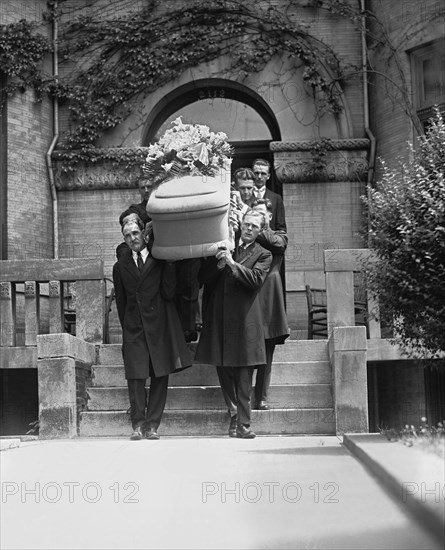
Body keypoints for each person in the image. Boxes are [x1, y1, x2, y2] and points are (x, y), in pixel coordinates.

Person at [113, 216, 192, 440]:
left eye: (135, 233)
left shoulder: (159, 259)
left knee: (160, 374)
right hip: (134, 328)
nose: (132, 239)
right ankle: (138, 424)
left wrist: (169, 265)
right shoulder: (120, 266)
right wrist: (127, 328)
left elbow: (168, 293)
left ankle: (153, 425)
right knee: (136, 377)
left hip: (159, 325)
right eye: (127, 236)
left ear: (143, 234)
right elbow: (122, 303)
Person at [196, 210, 272, 439]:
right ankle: (234, 415)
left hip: (246, 318)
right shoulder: (224, 244)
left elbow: (255, 280)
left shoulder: (264, 254)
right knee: (222, 366)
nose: (249, 229)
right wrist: (220, 262)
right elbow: (202, 278)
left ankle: (244, 424)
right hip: (219, 315)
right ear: (241, 223)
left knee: (244, 372)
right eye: (247, 224)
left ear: (260, 231)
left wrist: (231, 264)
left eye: (254, 227)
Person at [251, 198, 289, 410]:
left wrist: (259, 228)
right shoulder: (249, 235)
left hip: (270, 298)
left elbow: (278, 246)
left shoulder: (278, 235)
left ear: (270, 216)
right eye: (254, 213)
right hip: (251, 294)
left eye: (261, 214)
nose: (257, 218)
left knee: (268, 350)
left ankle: (261, 396)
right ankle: (245, 395)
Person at [252, 158, 287, 232]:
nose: (259, 177)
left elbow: (281, 227)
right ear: (252, 174)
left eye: (263, 173)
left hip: (268, 241)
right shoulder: (245, 195)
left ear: (268, 176)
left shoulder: (276, 198)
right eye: (256, 173)